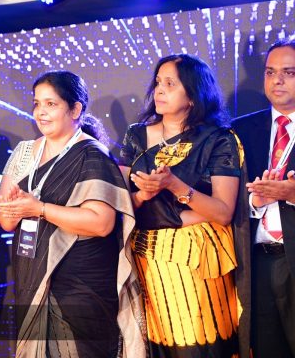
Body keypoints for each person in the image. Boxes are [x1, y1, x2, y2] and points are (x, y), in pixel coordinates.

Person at [0, 70, 144, 358]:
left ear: (75, 109)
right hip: (33, 274)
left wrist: (39, 209)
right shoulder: (24, 152)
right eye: (37, 103)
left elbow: (102, 223)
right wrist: (14, 209)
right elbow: (5, 220)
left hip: (80, 281)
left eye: (51, 104)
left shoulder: (92, 154)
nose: (41, 112)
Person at [119, 54, 246, 358]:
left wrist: (174, 185)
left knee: (199, 343)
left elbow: (223, 212)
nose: (159, 90)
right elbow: (120, 203)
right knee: (158, 346)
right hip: (146, 257)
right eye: (158, 82)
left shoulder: (219, 139)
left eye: (170, 84)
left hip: (194, 258)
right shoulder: (136, 135)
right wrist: (143, 196)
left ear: (192, 95)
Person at [233, 38, 295, 358]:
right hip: (257, 262)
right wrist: (254, 203)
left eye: (288, 72)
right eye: (270, 72)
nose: (277, 80)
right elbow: (224, 199)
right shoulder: (239, 131)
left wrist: (292, 195)